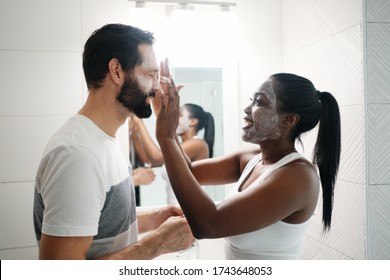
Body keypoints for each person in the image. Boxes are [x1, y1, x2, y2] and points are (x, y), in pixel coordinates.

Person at [33, 24, 194, 260]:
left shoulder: (104, 140)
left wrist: (154, 219)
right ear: (116, 71)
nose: (157, 88)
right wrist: (157, 244)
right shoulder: (78, 155)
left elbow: (94, 223)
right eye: (150, 75)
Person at [154, 62, 341, 260]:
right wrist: (164, 117)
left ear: (289, 120)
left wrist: (165, 137)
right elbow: (189, 172)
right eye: (252, 100)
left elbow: (208, 225)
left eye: (259, 102)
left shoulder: (298, 178)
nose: (247, 108)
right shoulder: (251, 158)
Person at [130, 103, 215, 204]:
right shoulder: (179, 146)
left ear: (193, 121)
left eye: (179, 115)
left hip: (191, 208)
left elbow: (157, 157)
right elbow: (149, 161)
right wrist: (135, 134)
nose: (174, 118)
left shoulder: (198, 144)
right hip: (176, 209)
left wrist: (139, 121)